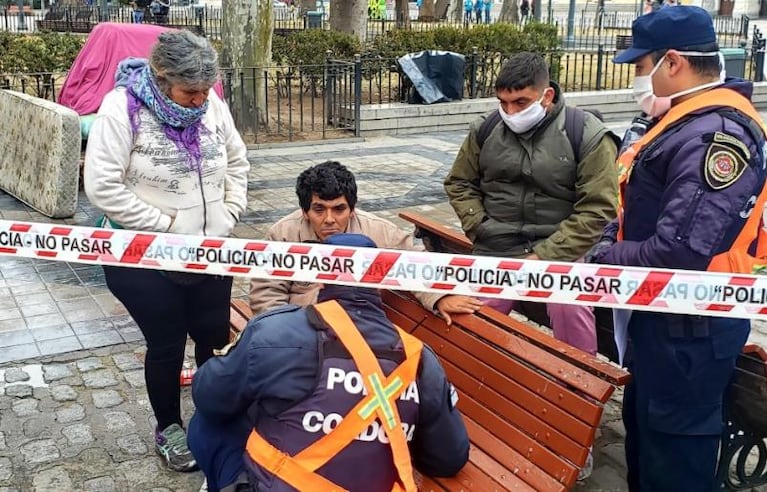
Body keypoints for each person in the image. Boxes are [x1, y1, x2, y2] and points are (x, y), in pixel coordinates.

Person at [588, 6, 767, 490]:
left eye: (640, 68)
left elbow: (679, 249)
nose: (636, 80)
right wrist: (611, 238)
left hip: (691, 327)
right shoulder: (682, 122)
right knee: (646, 441)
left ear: (672, 62)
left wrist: (603, 260)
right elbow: (638, 212)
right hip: (661, 317)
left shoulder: (715, 135)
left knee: (675, 457)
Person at [83, 30, 249, 472]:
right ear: (161, 78)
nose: (199, 101)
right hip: (143, 257)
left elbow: (237, 160)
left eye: (204, 91)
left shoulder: (212, 106)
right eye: (189, 92)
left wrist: (229, 212)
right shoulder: (122, 109)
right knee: (167, 342)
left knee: (213, 334)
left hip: (210, 249)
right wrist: (167, 227)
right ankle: (169, 428)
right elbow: (102, 186)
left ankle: (212, 412)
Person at [188, 233, 471, 492]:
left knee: (207, 423)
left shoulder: (276, 332)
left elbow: (209, 396)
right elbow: (449, 458)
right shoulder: (419, 358)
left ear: (320, 278)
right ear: (380, 284)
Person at [444, 52, 619, 357]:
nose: (510, 112)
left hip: (560, 248)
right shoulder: (486, 129)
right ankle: (474, 387)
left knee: (570, 308)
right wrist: (479, 226)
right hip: (497, 245)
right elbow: (459, 182)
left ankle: (579, 385)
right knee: (471, 315)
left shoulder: (586, 132)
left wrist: (547, 254)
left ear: (547, 95)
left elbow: (598, 208)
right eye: (503, 103)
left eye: (521, 103)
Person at [250, 161, 484, 324]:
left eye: (339, 209)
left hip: (359, 328)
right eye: (319, 209)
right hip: (300, 329)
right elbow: (267, 295)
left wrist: (439, 297)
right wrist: (285, 334)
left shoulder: (378, 231)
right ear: (304, 211)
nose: (329, 219)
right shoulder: (282, 233)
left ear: (352, 208)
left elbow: (417, 264)